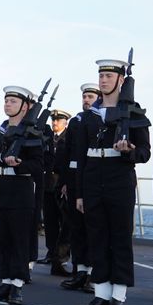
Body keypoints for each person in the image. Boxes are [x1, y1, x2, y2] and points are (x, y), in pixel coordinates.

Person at [73, 58, 150, 305]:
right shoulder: (88, 116)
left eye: (108, 75)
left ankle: (118, 298)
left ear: (121, 80)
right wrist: (80, 193)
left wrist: (129, 152)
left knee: (119, 239)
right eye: (101, 75)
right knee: (97, 238)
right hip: (93, 179)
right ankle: (101, 294)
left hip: (119, 178)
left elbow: (145, 152)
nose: (103, 80)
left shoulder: (134, 113)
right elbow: (81, 156)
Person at [0, 87, 42, 305]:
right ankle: (5, 281)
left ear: (25, 107)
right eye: (6, 101)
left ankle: (17, 284)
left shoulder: (33, 133)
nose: (7, 104)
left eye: (13, 102)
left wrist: (20, 165)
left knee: (19, 240)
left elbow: (38, 166)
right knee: (3, 239)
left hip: (21, 188)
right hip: (2, 188)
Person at [58, 83, 100, 292]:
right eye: (85, 96)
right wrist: (65, 181)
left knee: (92, 227)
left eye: (91, 96)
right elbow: (66, 153)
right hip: (74, 177)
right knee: (76, 228)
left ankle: (94, 273)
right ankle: (80, 270)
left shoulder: (100, 119)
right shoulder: (75, 121)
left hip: (92, 176)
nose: (86, 100)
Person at [39, 109, 72, 276]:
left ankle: (62, 257)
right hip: (47, 185)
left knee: (65, 223)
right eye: (53, 120)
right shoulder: (47, 139)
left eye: (58, 120)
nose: (55, 123)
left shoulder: (68, 138)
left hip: (61, 184)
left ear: (65, 122)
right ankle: (51, 254)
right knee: (50, 223)